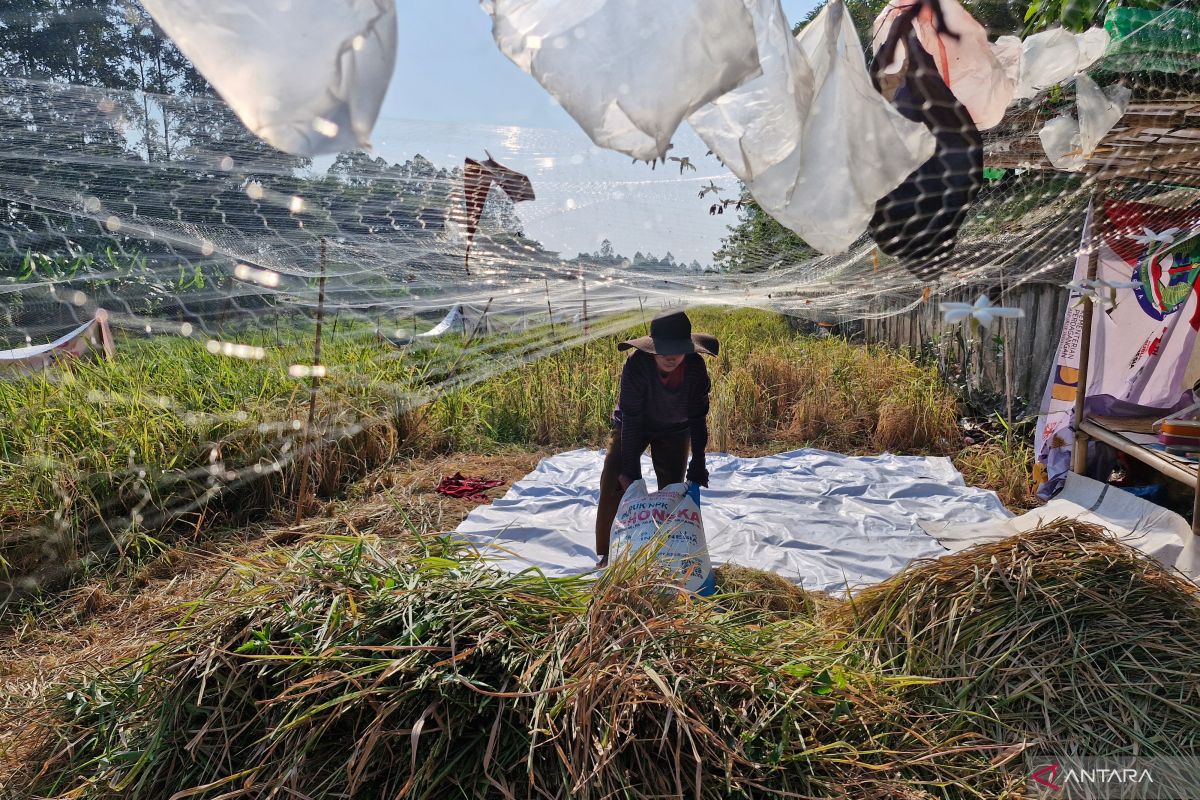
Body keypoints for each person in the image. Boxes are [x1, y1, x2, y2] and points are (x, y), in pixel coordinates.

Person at [595, 309, 718, 566]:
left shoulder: (695, 367)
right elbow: (632, 418)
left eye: (678, 349)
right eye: (663, 349)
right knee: (615, 474)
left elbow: (697, 417)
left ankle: (669, 550)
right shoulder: (637, 364)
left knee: (673, 489)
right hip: (635, 425)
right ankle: (610, 552)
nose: (671, 356)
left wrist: (699, 464)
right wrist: (631, 473)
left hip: (676, 428)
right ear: (652, 347)